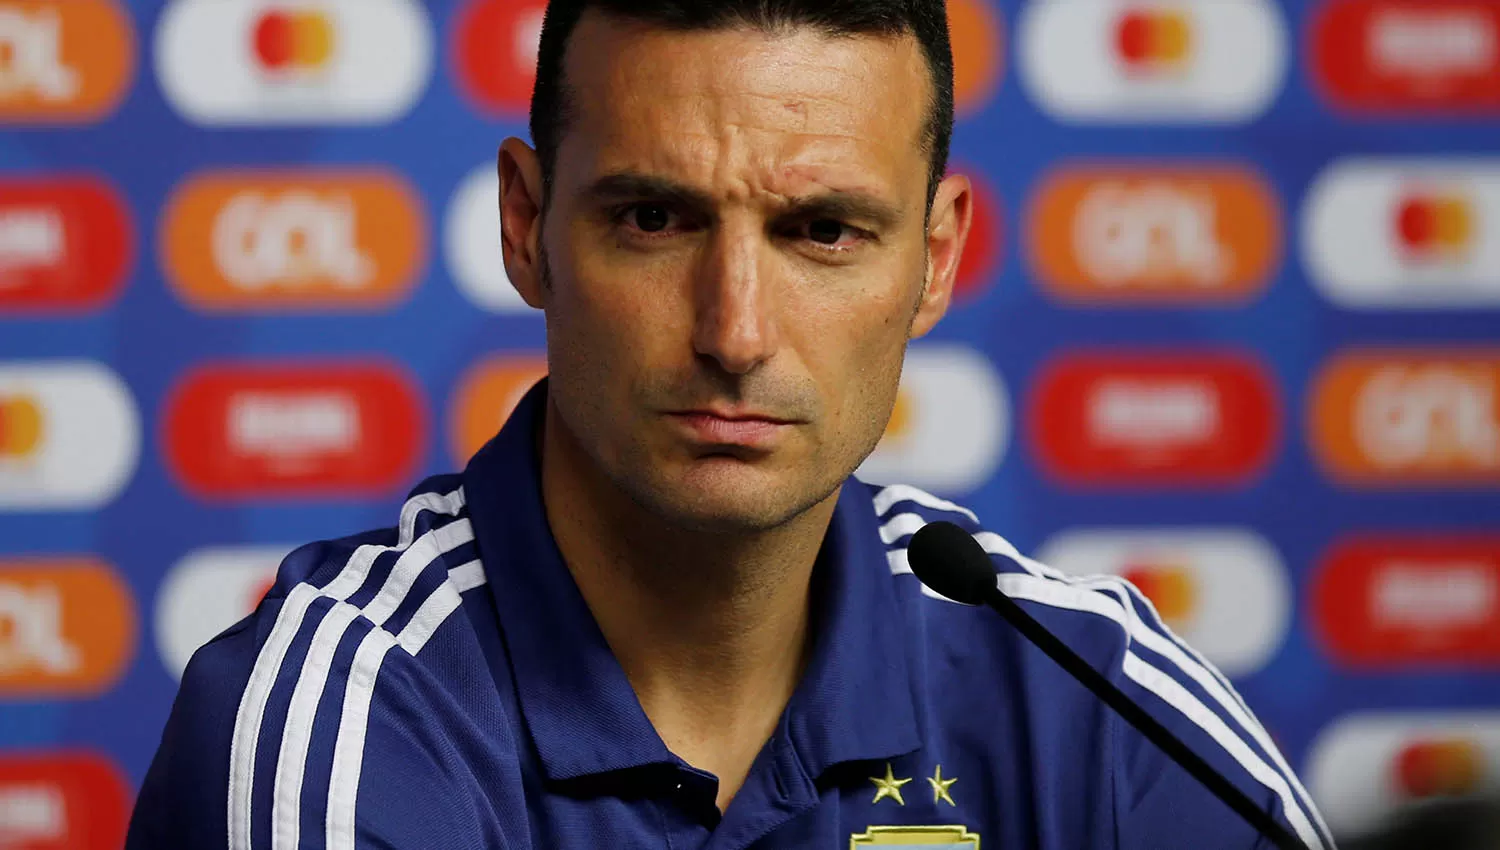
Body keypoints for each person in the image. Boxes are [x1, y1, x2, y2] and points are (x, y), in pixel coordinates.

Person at [127, 1, 1334, 848]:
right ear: (525, 226)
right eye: (655, 219)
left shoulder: (1090, 695)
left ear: (936, 259)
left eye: (822, 231)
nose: (736, 331)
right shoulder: (334, 728)